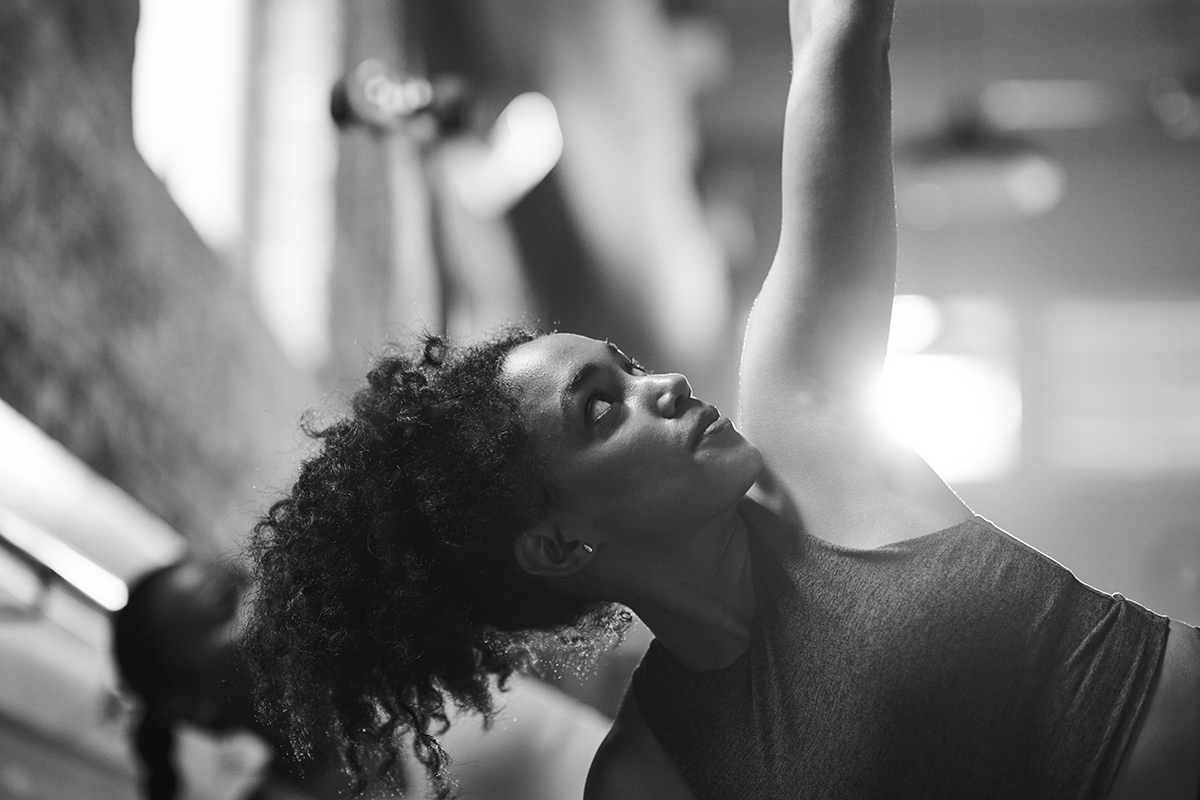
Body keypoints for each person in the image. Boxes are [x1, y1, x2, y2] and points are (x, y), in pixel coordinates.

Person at [241, 0, 1200, 797]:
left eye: (624, 364)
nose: (663, 384)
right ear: (558, 544)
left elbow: (838, 38)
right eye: (602, 408)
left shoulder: (809, 436)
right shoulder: (651, 778)